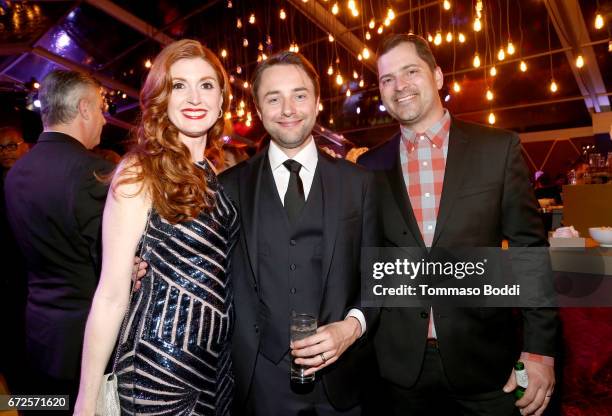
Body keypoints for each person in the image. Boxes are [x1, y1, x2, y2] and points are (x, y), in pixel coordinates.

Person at [358, 34, 558, 416]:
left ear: (437, 76)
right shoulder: (369, 168)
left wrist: (540, 351)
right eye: (386, 79)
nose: (398, 86)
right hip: (399, 372)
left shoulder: (497, 149)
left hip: (485, 363)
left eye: (410, 71)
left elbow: (529, 251)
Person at [74, 39, 237, 415]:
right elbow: (111, 294)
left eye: (206, 85)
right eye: (179, 85)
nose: (194, 97)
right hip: (157, 369)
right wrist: (87, 398)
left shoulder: (213, 173)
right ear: (161, 98)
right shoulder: (140, 171)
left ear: (221, 100)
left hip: (216, 368)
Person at [220, 51, 379, 415]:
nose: (288, 108)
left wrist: (352, 327)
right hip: (260, 382)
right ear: (259, 110)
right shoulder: (229, 187)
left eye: (300, 95)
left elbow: (378, 273)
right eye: (273, 98)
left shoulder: (359, 184)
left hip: (342, 382)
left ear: (318, 102)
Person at [4, 70, 113, 413]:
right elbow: (112, 264)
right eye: (100, 108)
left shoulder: (16, 173)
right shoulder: (92, 172)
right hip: (85, 344)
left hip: (37, 334)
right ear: (83, 109)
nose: (104, 119)